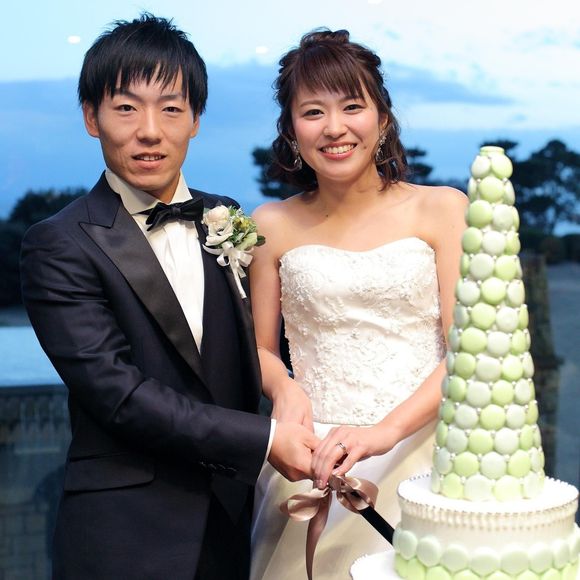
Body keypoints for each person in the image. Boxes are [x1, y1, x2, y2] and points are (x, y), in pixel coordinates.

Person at [20, 14, 318, 580]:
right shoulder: (58, 243)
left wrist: (286, 392)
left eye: (171, 108)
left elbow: (257, 348)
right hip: (125, 538)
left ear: (196, 120)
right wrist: (265, 439)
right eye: (126, 108)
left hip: (235, 525)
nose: (150, 131)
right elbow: (120, 396)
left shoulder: (225, 217)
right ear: (91, 118)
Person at [249, 29, 468, 579]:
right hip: (311, 456)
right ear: (291, 130)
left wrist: (383, 434)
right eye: (313, 112)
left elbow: (466, 352)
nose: (334, 127)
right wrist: (285, 389)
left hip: (424, 454)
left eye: (352, 106)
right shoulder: (270, 225)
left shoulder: (442, 210)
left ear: (383, 119)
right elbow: (260, 350)